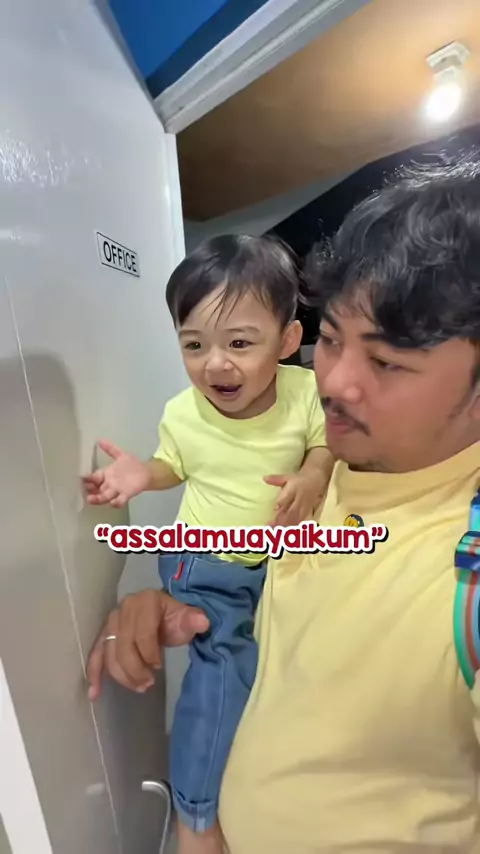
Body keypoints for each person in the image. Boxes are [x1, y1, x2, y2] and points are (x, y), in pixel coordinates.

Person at [87, 155, 480, 853]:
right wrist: (167, 603)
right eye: (331, 339)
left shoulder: (463, 576)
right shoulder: (333, 470)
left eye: (387, 361)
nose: (335, 383)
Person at [83, 234, 334, 854]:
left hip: (275, 562)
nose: (215, 365)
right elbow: (173, 464)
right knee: (224, 666)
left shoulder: (305, 393)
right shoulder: (183, 412)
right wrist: (140, 475)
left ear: (288, 340)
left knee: (280, 661)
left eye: (239, 344)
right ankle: (196, 814)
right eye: (193, 344)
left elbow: (323, 447)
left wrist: (311, 477)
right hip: (205, 560)